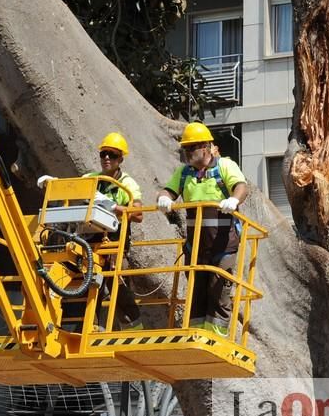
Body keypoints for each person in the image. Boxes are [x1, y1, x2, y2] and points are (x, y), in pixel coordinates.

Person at [38, 132, 144, 330]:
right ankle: (88, 329)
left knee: (117, 285)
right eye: (103, 153)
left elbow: (138, 215)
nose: (106, 158)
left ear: (120, 159)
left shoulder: (127, 184)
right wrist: (53, 184)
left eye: (112, 155)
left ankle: (134, 331)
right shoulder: (91, 178)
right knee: (88, 285)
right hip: (88, 243)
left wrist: (113, 207)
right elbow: (71, 188)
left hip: (114, 245)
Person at [156, 122, 248, 336]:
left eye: (191, 148)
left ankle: (216, 339)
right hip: (196, 247)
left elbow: (241, 186)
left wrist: (233, 200)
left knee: (218, 293)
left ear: (206, 147)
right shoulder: (184, 173)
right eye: (185, 148)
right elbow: (168, 191)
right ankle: (196, 337)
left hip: (223, 245)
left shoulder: (224, 166)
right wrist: (163, 198)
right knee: (197, 294)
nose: (187, 152)